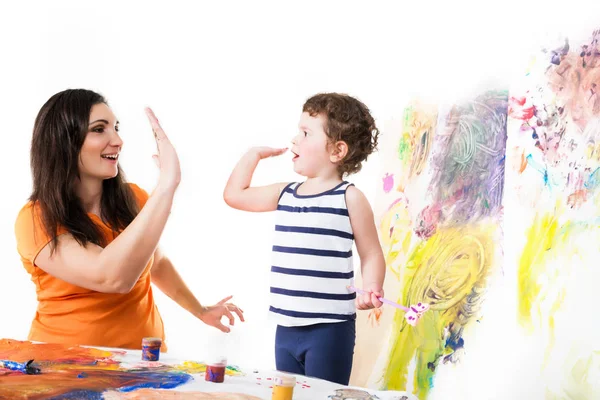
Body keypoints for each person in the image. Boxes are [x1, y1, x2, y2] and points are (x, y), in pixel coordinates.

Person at [14, 89, 243, 351]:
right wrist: (166, 186)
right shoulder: (36, 219)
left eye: (116, 128)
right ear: (64, 141)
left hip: (144, 366)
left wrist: (200, 310)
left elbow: (155, 262)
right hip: (67, 370)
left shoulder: (134, 198)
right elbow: (112, 278)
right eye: (99, 129)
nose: (118, 140)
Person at [223, 92, 385, 385]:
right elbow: (234, 195)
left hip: (329, 328)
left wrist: (371, 285)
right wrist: (252, 155)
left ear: (337, 151)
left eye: (306, 133)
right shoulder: (286, 193)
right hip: (286, 327)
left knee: (323, 395)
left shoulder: (349, 197)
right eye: (298, 130)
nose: (295, 139)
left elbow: (371, 252)